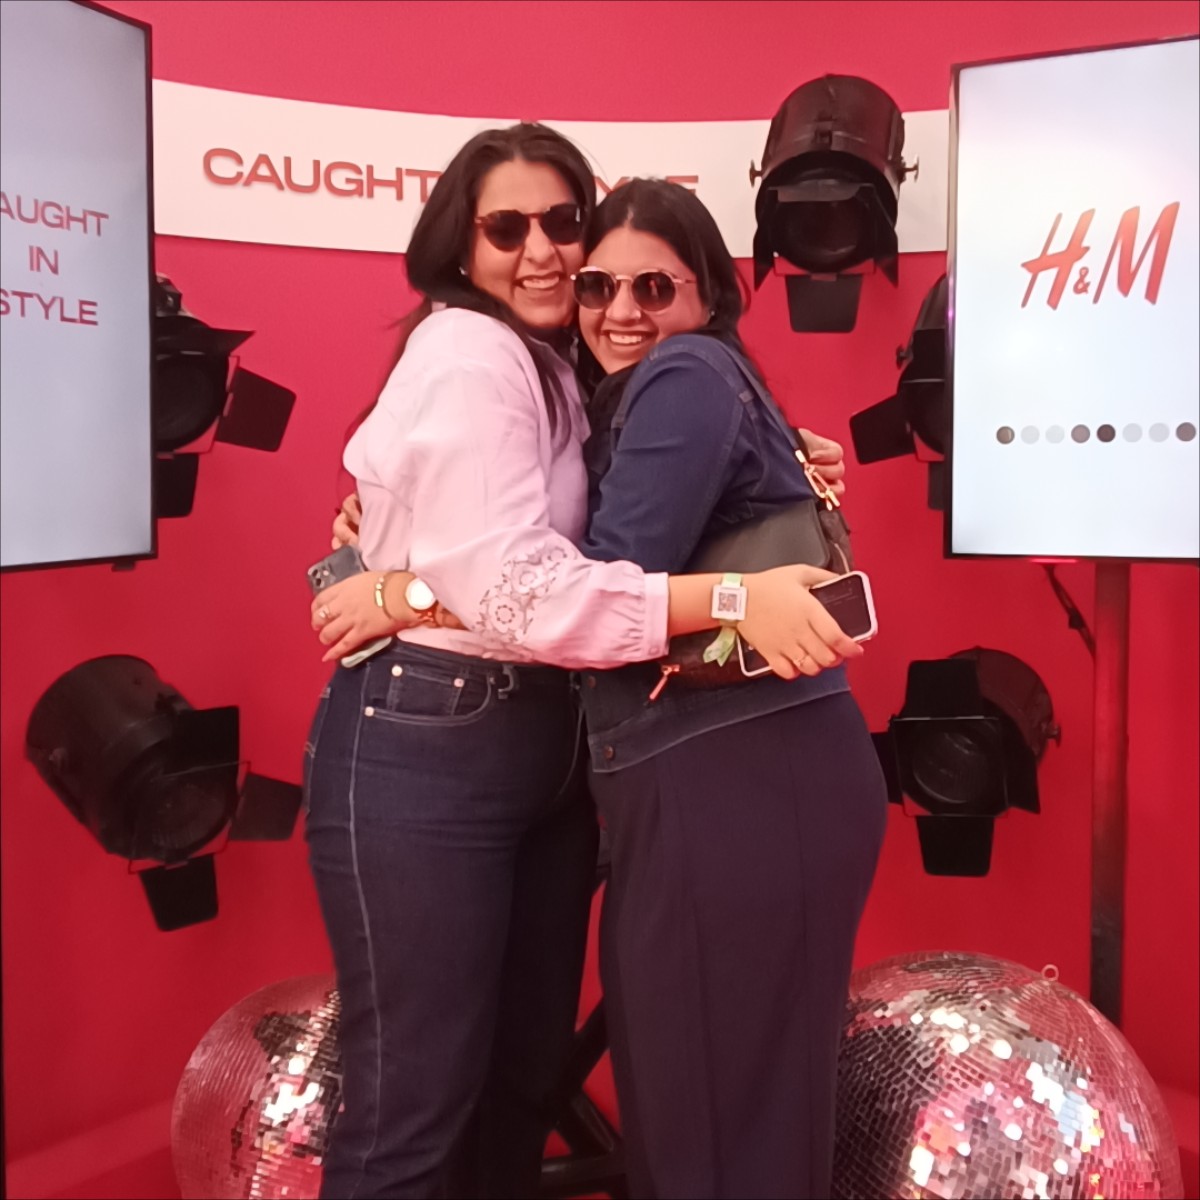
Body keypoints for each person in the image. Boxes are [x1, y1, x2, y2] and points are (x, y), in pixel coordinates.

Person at [304, 125, 859, 1200]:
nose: (546, 253)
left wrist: (768, 450)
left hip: (550, 743)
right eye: (507, 228)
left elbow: (531, 556)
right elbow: (527, 588)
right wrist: (403, 589)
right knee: (416, 1106)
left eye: (564, 223)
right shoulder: (471, 357)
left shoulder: (568, 368)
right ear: (459, 245)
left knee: (517, 1089)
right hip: (437, 736)